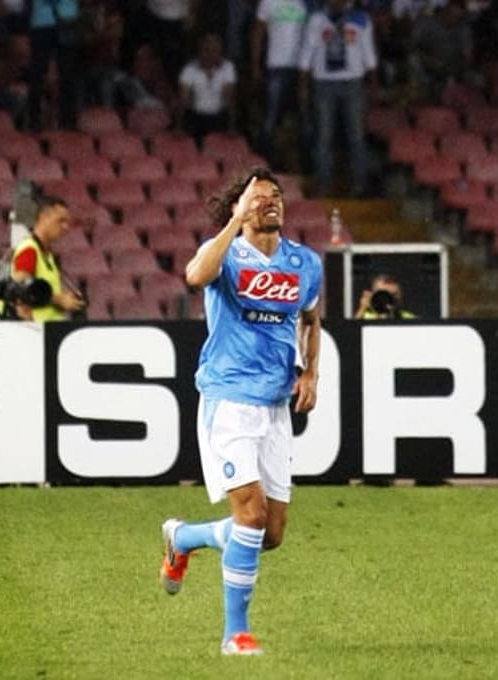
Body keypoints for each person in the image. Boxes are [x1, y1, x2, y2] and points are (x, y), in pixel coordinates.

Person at [159, 167, 322, 656]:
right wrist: (233, 222)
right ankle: (235, 633)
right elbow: (194, 276)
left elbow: (312, 317)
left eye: (275, 197)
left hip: (275, 404)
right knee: (249, 514)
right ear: (240, 207)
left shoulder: (304, 262)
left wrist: (311, 371)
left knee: (269, 533)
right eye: (258, 198)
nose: (270, 203)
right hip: (229, 399)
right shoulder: (225, 254)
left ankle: (184, 537)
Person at [299, 0, 378, 197]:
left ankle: (360, 183)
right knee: (324, 136)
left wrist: (372, 84)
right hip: (323, 83)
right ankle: (324, 183)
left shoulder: (360, 19)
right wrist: (302, 86)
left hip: (353, 81)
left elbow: (368, 53)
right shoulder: (317, 20)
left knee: (356, 135)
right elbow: (307, 53)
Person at [250, 0, 311, 169]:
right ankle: (265, 163)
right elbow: (258, 33)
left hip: (300, 68)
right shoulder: (268, 2)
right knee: (270, 118)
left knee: (303, 119)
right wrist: (255, 64)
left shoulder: (303, 3)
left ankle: (304, 167)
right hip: (276, 66)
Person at [10, 194, 86, 321]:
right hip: (37, 332)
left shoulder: (47, 254)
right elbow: (21, 290)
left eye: (66, 222)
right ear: (44, 217)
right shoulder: (29, 250)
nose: (65, 227)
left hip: (49, 330)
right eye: (60, 221)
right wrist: (58, 300)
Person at [26, 0, 80, 130]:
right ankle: (34, 119)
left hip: (67, 20)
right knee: (38, 73)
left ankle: (67, 120)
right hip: (43, 22)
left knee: (68, 74)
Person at [178, 32, 238, 144]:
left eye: (215, 49)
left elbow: (230, 99)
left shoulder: (228, 67)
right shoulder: (189, 69)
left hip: (218, 119)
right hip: (196, 119)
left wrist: (232, 127)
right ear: (200, 50)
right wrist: (179, 127)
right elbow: (183, 101)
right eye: (207, 49)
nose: (211, 53)